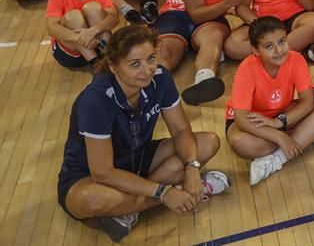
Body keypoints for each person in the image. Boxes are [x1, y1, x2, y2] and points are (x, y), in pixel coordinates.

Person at [57, 25, 228, 243]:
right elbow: (103, 173)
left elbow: (181, 129)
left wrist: (192, 168)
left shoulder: (161, 77)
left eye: (150, 58)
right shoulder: (95, 101)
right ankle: (181, 191)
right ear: (113, 65)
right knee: (93, 199)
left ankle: (128, 209)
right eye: (135, 64)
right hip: (89, 176)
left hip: (138, 159)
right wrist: (163, 193)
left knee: (207, 143)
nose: (147, 70)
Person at [226, 17, 314, 186]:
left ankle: (277, 158)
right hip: (253, 121)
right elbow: (241, 119)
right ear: (255, 50)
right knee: (241, 144)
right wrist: (279, 137)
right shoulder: (247, 69)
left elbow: (308, 102)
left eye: (282, 41)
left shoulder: (296, 59)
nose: (279, 50)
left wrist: (278, 123)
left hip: (282, 115)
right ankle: (308, 134)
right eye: (269, 46)